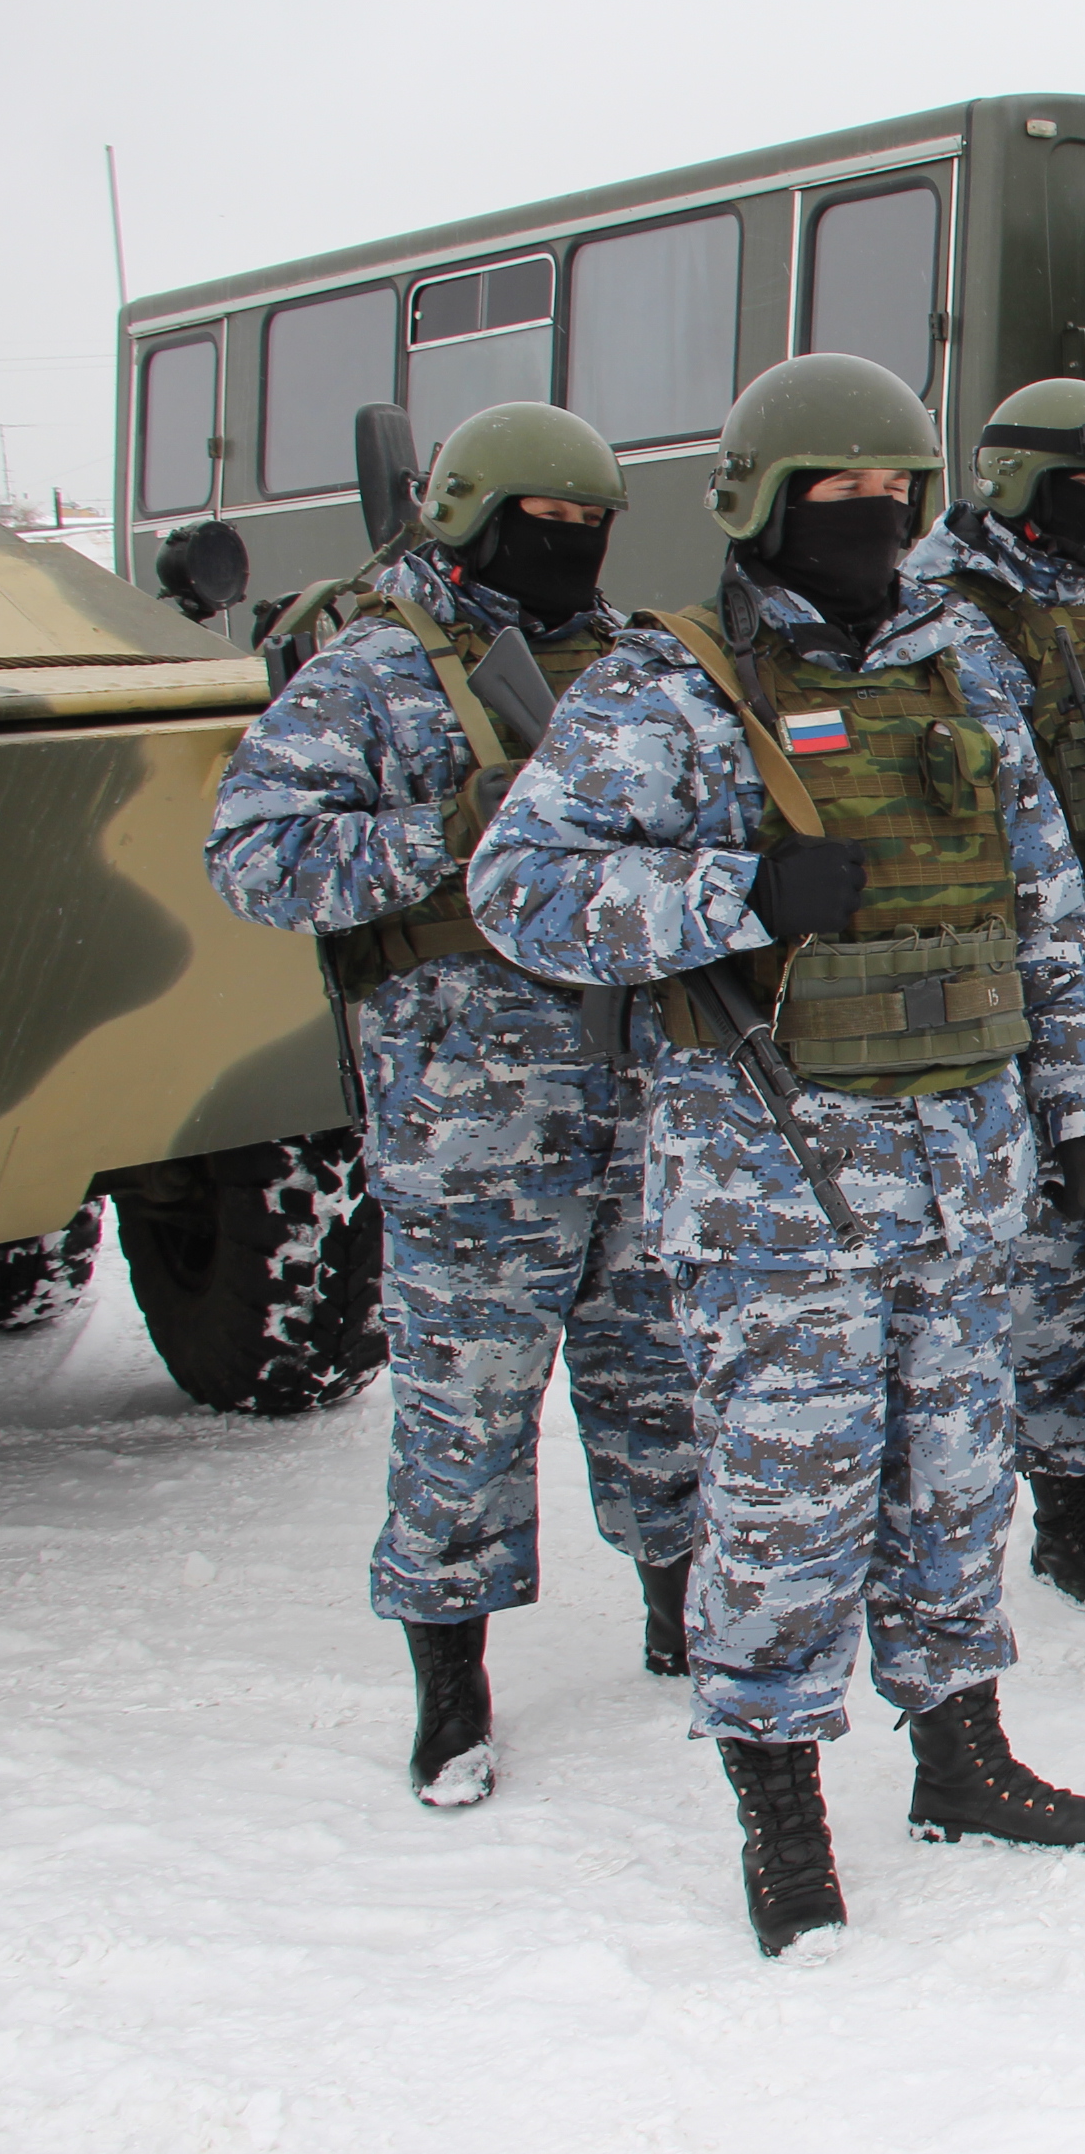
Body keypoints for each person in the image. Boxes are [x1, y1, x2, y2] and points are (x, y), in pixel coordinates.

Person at [468, 353, 1085, 1958]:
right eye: (835, 499)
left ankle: (962, 1754)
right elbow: (519, 893)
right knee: (787, 1507)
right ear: (763, 504)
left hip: (962, 1166)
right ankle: (781, 1811)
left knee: (954, 1475)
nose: (869, 523)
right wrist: (732, 895)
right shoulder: (667, 687)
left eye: (893, 500)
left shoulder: (961, 664)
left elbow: (1039, 893)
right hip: (776, 1182)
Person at [205, 400, 695, 1813]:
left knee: (658, 1371)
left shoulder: (633, 664)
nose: (574, 554)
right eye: (548, 530)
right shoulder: (371, 674)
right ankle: (450, 1683)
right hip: (471, 1119)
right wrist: (448, 834)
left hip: (641, 1094)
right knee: (465, 1405)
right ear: (471, 519)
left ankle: (680, 1610)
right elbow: (252, 857)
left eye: (594, 532)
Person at [900, 377, 1085, 1616]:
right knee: (1056, 1249)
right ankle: (1064, 1498)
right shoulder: (949, 608)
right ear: (1020, 483)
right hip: (1042, 975)